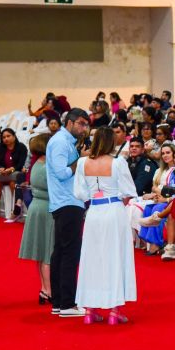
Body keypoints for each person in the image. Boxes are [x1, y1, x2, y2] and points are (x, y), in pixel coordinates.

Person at [73, 127, 138, 325]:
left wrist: (94, 196)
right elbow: (128, 190)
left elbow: (79, 193)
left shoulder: (83, 162)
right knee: (115, 256)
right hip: (113, 210)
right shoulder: (118, 163)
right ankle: (114, 310)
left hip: (94, 211)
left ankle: (90, 310)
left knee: (92, 258)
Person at [46, 108, 91, 317]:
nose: (84, 128)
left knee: (61, 252)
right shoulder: (60, 142)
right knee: (69, 254)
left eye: (86, 125)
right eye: (81, 124)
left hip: (67, 201)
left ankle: (58, 303)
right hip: (67, 201)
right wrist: (80, 160)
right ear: (70, 122)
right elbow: (62, 173)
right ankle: (67, 304)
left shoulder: (66, 142)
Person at [18, 134, 54, 306]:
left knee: (41, 253)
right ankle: (50, 291)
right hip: (47, 207)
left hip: (36, 207)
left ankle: (43, 289)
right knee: (48, 252)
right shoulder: (48, 165)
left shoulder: (35, 164)